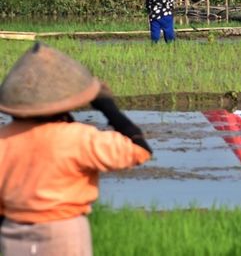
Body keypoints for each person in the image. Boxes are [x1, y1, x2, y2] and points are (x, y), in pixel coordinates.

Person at [0, 43, 152, 256]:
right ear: (64, 102)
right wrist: (107, 107)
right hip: (63, 234)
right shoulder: (78, 138)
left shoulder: (4, 139)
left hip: (12, 234)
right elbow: (139, 149)